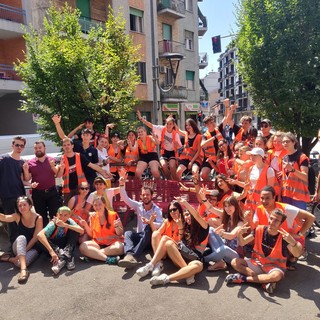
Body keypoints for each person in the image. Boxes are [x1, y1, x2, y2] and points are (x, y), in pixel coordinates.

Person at [225, 209, 302, 294]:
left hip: (274, 268)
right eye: (271, 218)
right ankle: (263, 282)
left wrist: (293, 242)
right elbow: (242, 243)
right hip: (257, 263)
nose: (272, 222)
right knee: (234, 262)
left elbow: (297, 254)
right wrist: (239, 234)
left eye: (276, 220)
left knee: (277, 276)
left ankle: (243, 279)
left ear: (281, 223)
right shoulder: (259, 229)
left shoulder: (284, 237)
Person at [147, 196, 209, 287]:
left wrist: (185, 203)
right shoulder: (185, 226)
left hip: (194, 257)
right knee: (167, 242)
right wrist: (180, 227)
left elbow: (196, 215)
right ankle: (152, 265)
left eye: (188, 214)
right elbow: (179, 240)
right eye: (185, 215)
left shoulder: (204, 227)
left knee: (198, 266)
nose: (187, 217)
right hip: (181, 255)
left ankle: (166, 278)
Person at [118, 169, 163, 268]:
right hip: (140, 237)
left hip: (150, 240)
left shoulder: (157, 209)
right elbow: (126, 199)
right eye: (143, 195)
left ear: (151, 196)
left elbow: (161, 224)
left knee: (148, 228)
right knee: (128, 233)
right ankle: (129, 255)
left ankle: (133, 256)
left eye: (147, 194)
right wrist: (121, 185)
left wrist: (151, 222)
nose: (145, 196)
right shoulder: (138, 206)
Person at [0, 197, 43, 284]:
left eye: (24, 205)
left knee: (22, 262)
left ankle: (10, 259)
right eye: (19, 205)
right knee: (21, 237)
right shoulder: (17, 216)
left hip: (33, 247)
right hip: (19, 245)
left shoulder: (38, 218)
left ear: (30, 205)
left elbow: (35, 238)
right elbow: (4, 217)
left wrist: (22, 253)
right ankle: (23, 270)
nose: (22, 207)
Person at [52, 115, 100, 189]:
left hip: (91, 178)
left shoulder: (94, 150)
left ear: (91, 136)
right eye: (84, 134)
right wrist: (57, 124)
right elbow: (64, 137)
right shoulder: (76, 145)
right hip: (77, 179)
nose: (86, 136)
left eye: (88, 135)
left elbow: (95, 165)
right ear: (81, 136)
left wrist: (104, 172)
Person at [23, 141, 63, 227]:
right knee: (41, 217)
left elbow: (58, 175)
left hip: (52, 192)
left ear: (44, 148)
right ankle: (44, 236)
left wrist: (54, 167)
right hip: (38, 194)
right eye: (36, 148)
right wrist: (26, 170)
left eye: (40, 147)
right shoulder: (30, 163)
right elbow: (27, 178)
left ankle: (55, 236)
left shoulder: (52, 160)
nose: (38, 149)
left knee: (55, 215)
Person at [60, 137, 109, 204]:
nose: (67, 147)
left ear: (72, 146)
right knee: (68, 210)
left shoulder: (79, 156)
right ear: (63, 147)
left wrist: (104, 172)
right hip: (68, 189)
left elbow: (92, 165)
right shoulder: (62, 159)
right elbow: (59, 174)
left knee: (82, 207)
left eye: (68, 144)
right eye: (64, 145)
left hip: (81, 188)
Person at [37, 206, 84, 275]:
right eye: (60, 215)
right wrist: (51, 251)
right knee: (40, 241)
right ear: (57, 215)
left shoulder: (69, 221)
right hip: (54, 245)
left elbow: (82, 231)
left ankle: (64, 256)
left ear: (69, 216)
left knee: (75, 230)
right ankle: (66, 257)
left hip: (64, 243)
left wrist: (65, 225)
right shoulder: (53, 223)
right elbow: (39, 235)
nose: (62, 217)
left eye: (65, 215)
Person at [203, 196, 244, 272]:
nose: (227, 208)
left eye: (230, 205)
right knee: (211, 229)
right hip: (224, 245)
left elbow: (231, 236)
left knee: (224, 249)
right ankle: (220, 261)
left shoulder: (240, 222)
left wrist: (221, 233)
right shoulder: (226, 215)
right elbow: (211, 208)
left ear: (236, 206)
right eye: (225, 206)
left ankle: (202, 259)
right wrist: (203, 197)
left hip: (235, 255)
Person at [137, 111, 182, 180]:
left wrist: (176, 144)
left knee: (172, 166)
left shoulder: (175, 134)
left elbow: (179, 146)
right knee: (163, 165)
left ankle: (176, 181)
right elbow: (150, 125)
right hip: (164, 152)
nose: (168, 125)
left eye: (170, 124)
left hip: (172, 152)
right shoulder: (162, 129)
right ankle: (169, 180)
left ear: (173, 125)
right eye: (167, 124)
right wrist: (141, 119)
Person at [79, 197, 124, 264]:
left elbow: (120, 233)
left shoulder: (113, 214)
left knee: (120, 247)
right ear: (93, 206)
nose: (98, 207)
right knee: (82, 247)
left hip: (113, 243)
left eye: (100, 204)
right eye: (95, 205)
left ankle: (93, 255)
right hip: (98, 244)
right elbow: (91, 235)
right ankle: (108, 259)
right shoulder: (92, 216)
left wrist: (117, 227)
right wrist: (85, 225)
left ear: (104, 204)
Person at [0, 136, 27, 245]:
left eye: (21, 145)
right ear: (12, 145)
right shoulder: (3, 158)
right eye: (17, 145)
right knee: (11, 223)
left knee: (21, 220)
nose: (19, 147)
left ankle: (22, 244)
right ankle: (14, 247)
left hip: (20, 196)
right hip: (7, 195)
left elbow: (22, 179)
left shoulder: (22, 162)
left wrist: (30, 184)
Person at [281, 132, 310, 210]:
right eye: (283, 142)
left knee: (299, 221)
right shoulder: (284, 158)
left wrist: (292, 170)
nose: (285, 143)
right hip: (286, 195)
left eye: (287, 141)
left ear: (294, 142)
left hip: (298, 197)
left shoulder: (302, 157)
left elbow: (305, 177)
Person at [200, 115, 224, 181]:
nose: (213, 124)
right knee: (203, 175)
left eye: (213, 122)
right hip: (210, 158)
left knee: (221, 175)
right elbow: (202, 145)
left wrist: (228, 108)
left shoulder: (218, 129)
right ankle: (210, 184)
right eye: (211, 122)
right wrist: (214, 137)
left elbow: (226, 119)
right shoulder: (205, 135)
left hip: (220, 157)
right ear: (206, 125)